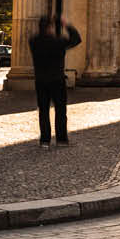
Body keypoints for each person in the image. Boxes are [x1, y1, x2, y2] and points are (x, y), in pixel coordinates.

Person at [30, 15, 81, 147]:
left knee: (44, 111)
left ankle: (45, 141)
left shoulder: (33, 41)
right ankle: (61, 139)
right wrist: (67, 25)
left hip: (41, 81)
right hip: (57, 80)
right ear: (50, 27)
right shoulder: (58, 42)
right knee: (60, 110)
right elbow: (76, 39)